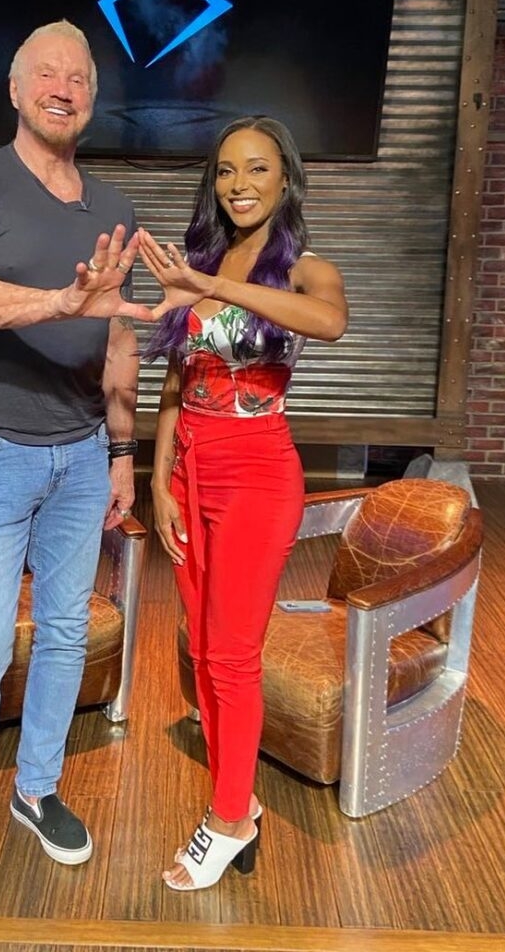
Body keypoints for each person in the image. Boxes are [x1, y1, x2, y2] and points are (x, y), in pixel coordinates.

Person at [0, 20, 152, 944]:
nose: (64, 85)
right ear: (15, 91)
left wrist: (125, 452)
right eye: (46, 73)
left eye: (80, 74)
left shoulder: (114, 200)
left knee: (63, 633)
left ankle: (38, 790)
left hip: (81, 452)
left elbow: (123, 334)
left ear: (94, 93)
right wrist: (62, 299)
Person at [140, 115, 348, 891]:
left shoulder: (304, 269)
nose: (239, 184)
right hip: (191, 472)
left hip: (258, 474)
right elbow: (176, 381)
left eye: (257, 169)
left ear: (285, 179)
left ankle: (227, 820)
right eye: (226, 170)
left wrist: (213, 286)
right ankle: (242, 800)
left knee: (232, 655)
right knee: (201, 648)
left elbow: (331, 323)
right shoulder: (199, 261)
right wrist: (161, 480)